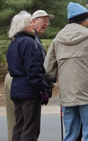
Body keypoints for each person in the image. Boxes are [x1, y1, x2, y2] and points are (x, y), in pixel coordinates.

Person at [44, 2, 88, 141]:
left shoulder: (57, 39)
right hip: (87, 89)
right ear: (81, 20)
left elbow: (48, 67)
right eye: (87, 19)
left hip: (67, 91)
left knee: (71, 132)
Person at [5, 9, 54, 141]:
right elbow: (33, 71)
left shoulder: (13, 44)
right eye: (29, 23)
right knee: (30, 129)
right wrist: (42, 88)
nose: (33, 25)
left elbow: (12, 67)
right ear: (22, 26)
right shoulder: (30, 43)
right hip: (29, 91)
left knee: (19, 126)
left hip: (16, 90)